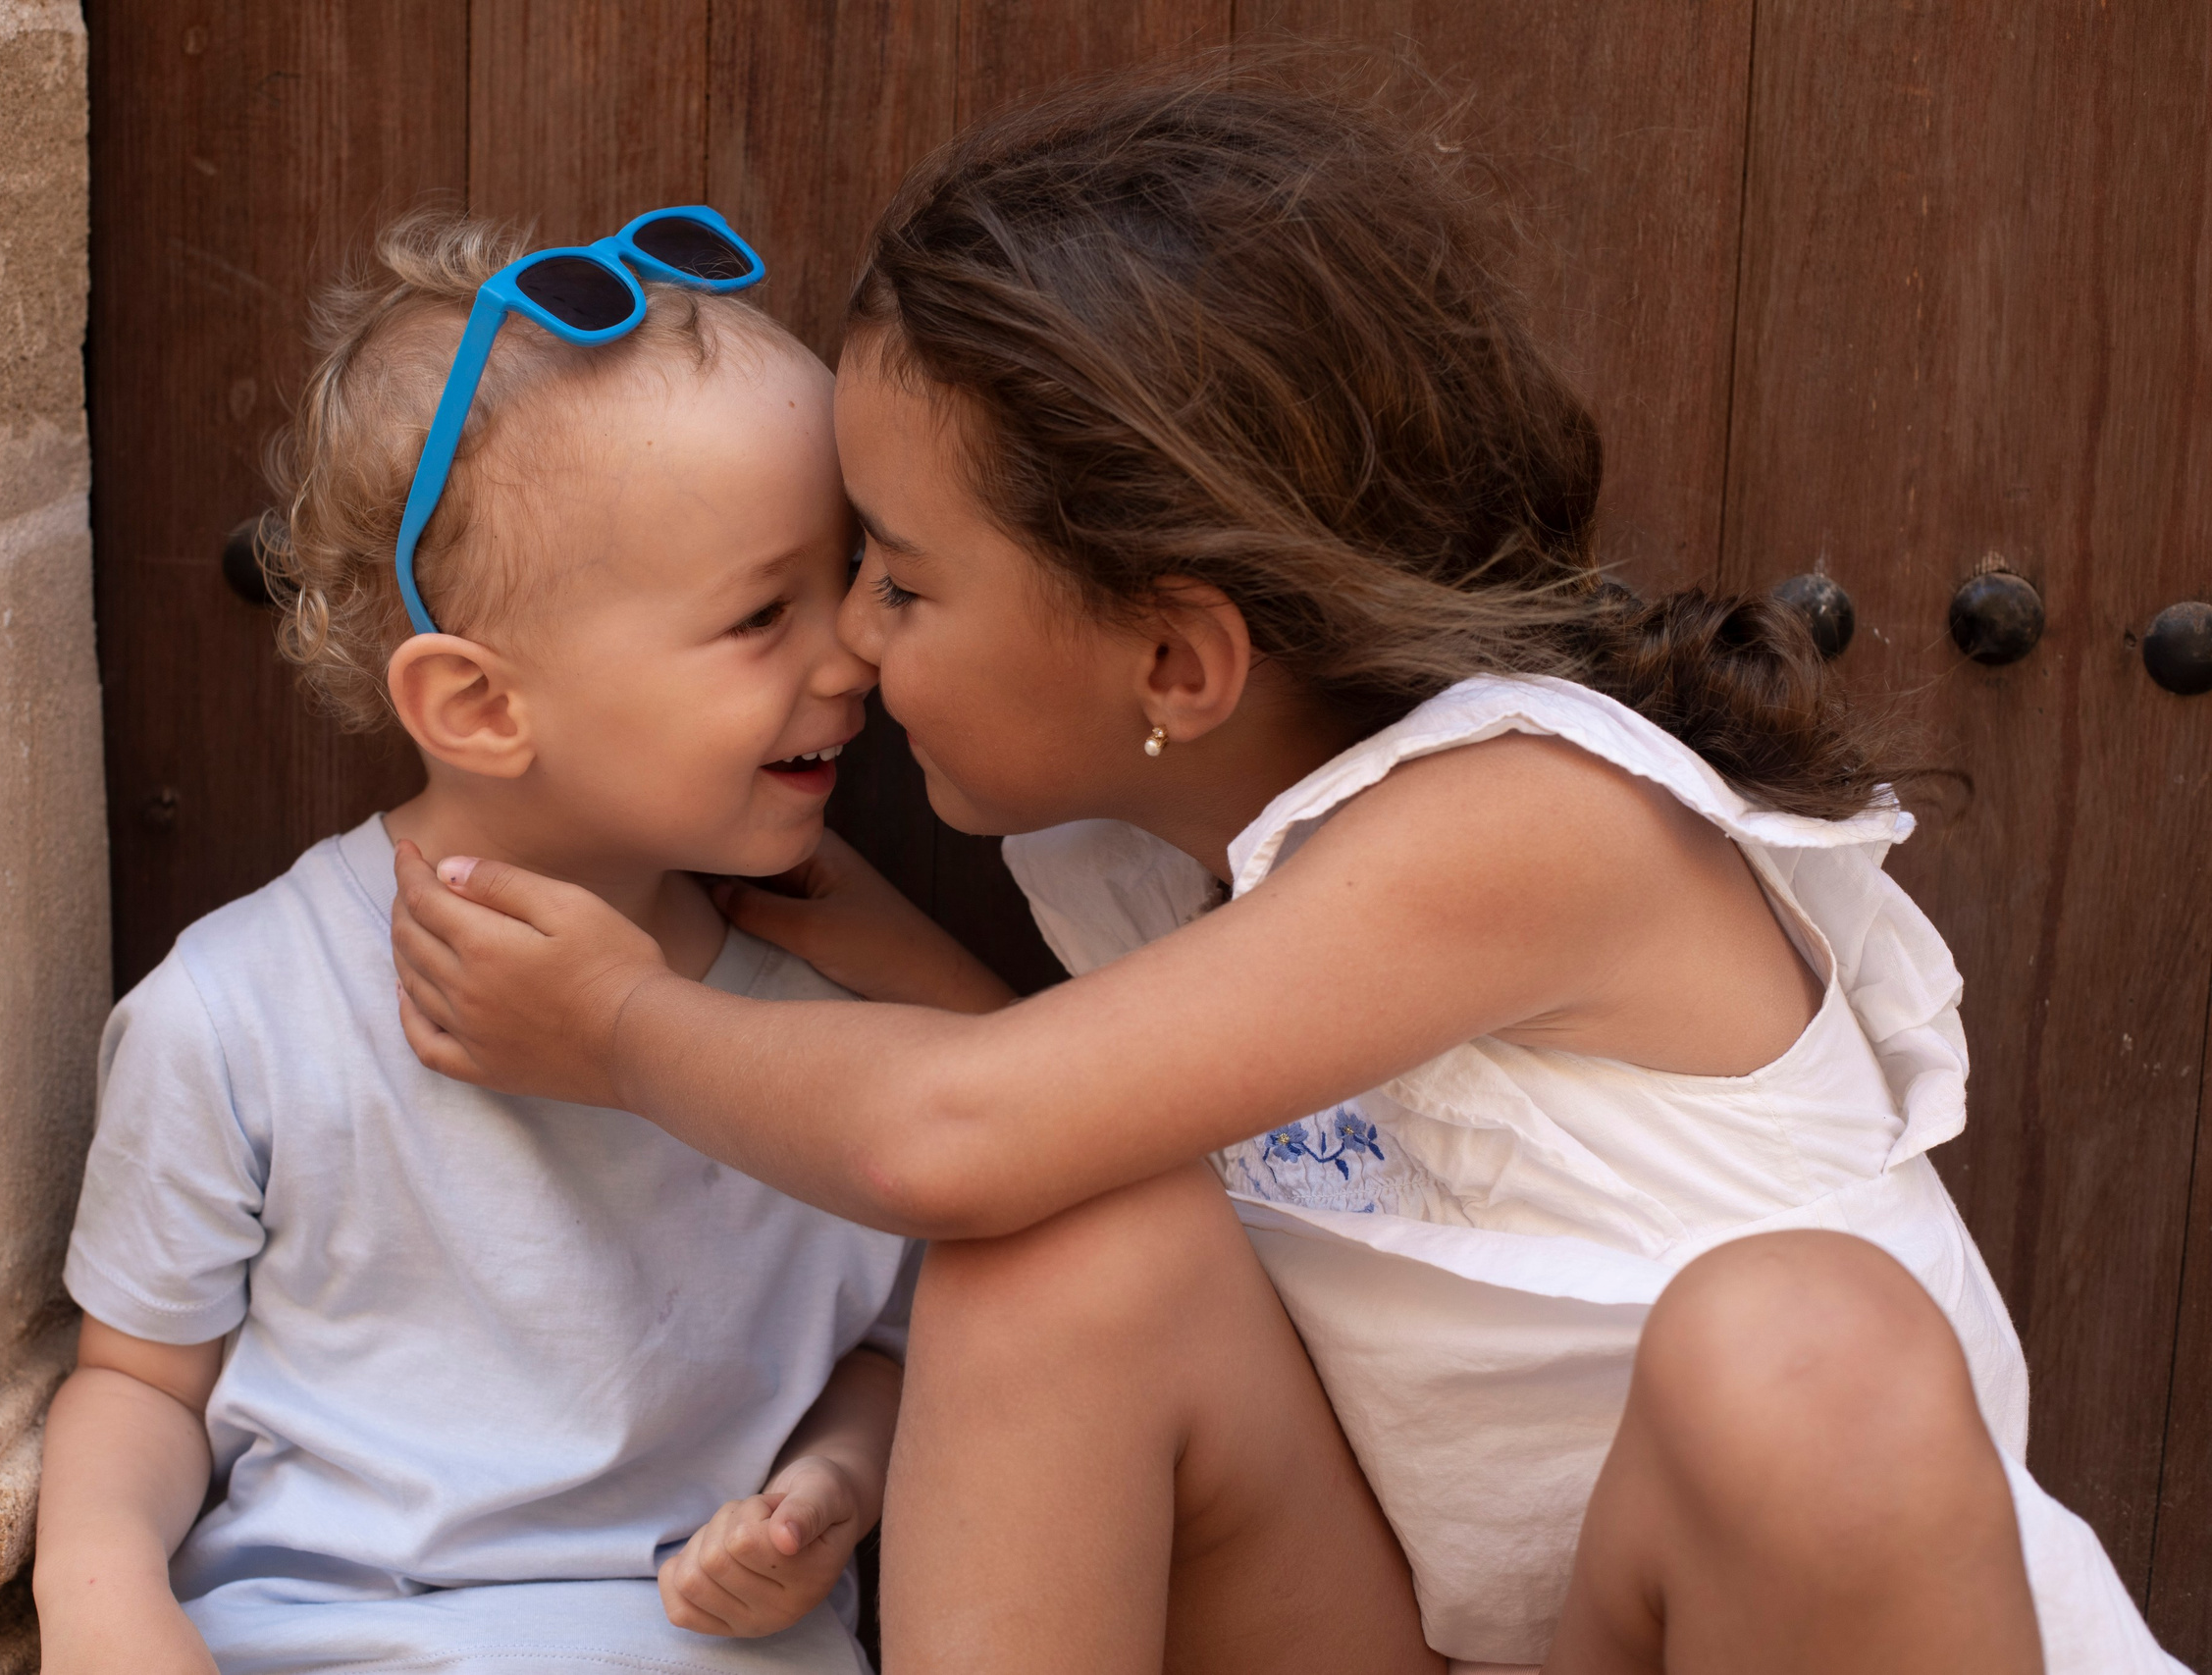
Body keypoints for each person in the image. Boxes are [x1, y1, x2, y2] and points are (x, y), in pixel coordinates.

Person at [385, 70, 2187, 1675]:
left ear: (1178, 666)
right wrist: (871, 943)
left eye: (903, 583)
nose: (852, 642)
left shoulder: (1527, 822)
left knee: (1801, 1351)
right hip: (1437, 1626)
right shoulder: (1146, 854)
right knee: (1065, 1241)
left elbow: (961, 1126)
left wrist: (617, 1022)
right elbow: (1145, 1133)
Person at [33, 208, 938, 1675]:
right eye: (762, 614)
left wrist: (831, 1487)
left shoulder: (836, 1035)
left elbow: (896, 1348)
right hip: (320, 1640)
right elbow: (138, 1382)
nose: (852, 654)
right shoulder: (238, 1012)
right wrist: (103, 1599)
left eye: (844, 580)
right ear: (478, 706)